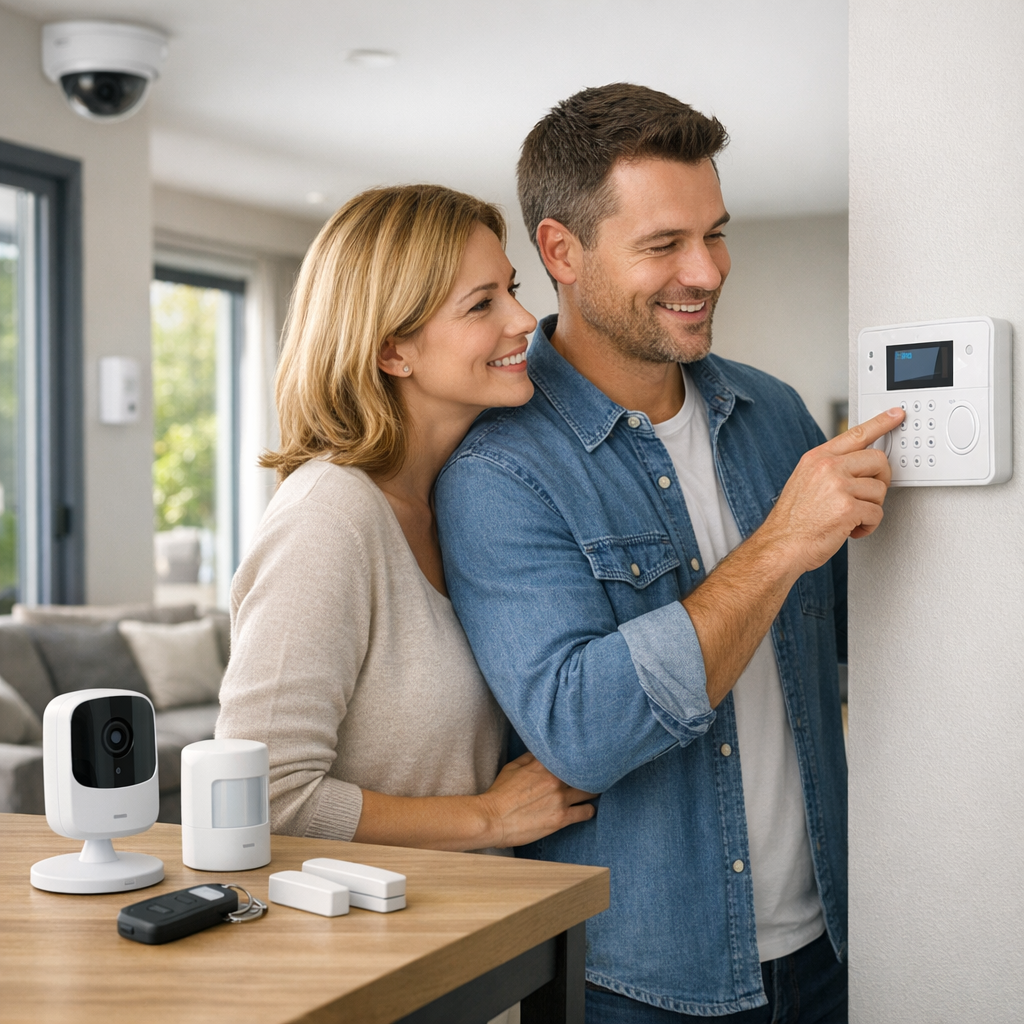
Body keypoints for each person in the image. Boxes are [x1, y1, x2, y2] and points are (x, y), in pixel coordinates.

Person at [435, 84, 903, 1022]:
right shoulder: (498, 470)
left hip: (832, 947)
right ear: (562, 252)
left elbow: (868, 644)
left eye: (715, 233)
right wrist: (778, 546)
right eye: (663, 246)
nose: (708, 270)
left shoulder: (774, 416)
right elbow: (584, 731)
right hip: (637, 979)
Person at [215, 184, 595, 855]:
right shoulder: (328, 516)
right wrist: (489, 818)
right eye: (483, 304)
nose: (524, 318)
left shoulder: (460, 500)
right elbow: (258, 792)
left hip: (478, 933)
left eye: (511, 287)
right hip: (372, 945)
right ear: (394, 351)